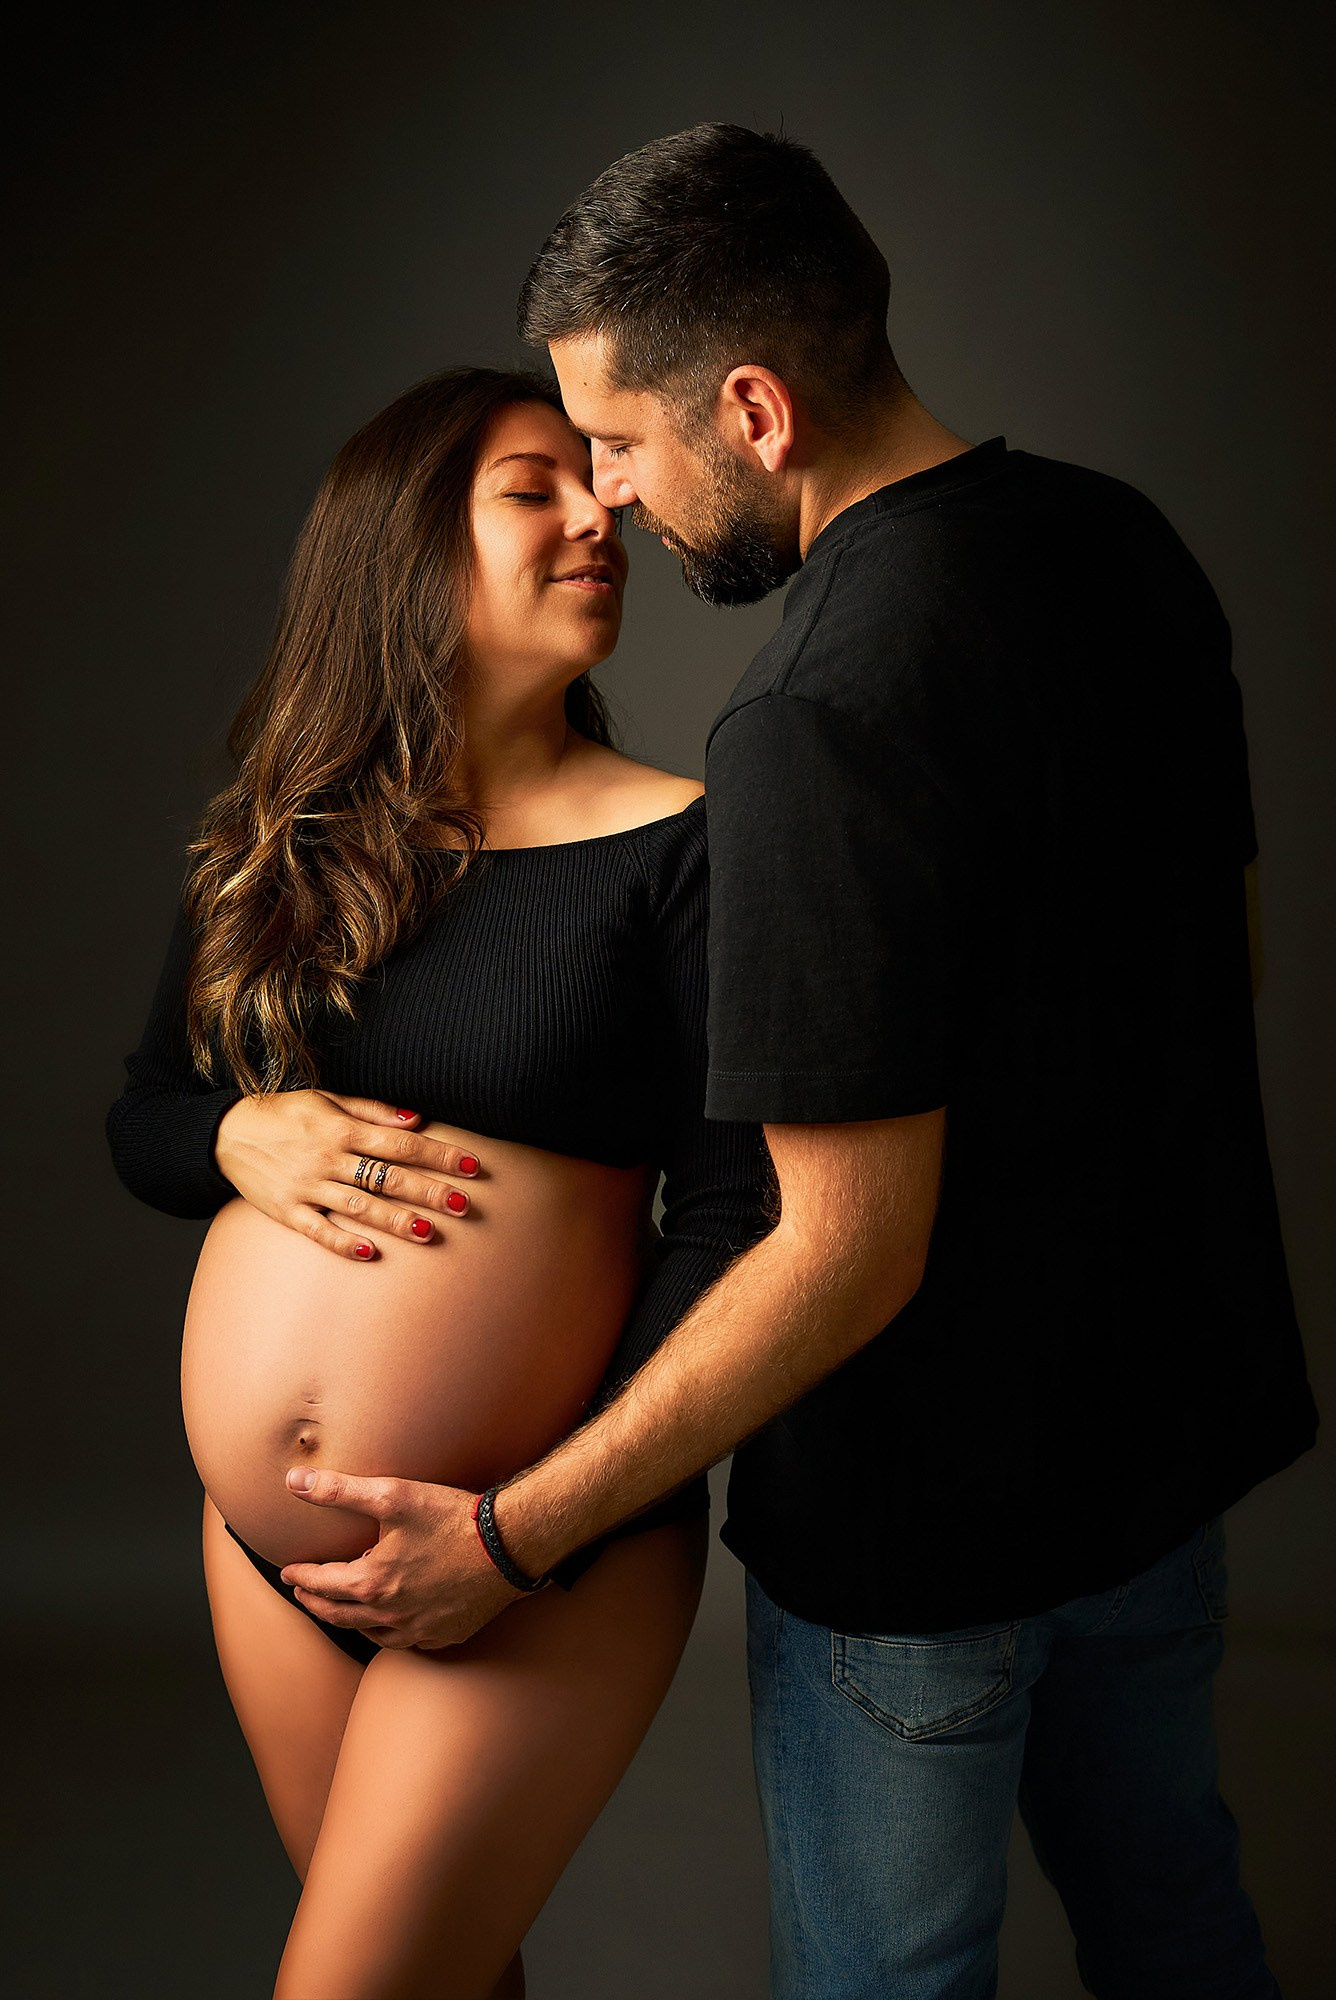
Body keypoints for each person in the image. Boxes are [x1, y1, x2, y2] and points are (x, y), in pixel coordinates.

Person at [272, 128, 1319, 1998]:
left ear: (749, 408)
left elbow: (844, 1250)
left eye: (616, 441)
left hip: (927, 1550)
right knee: (1182, 1932)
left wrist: (516, 1539)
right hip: (1163, 1465)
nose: (612, 498)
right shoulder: (1124, 544)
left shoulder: (813, 714)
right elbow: (1217, 971)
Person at [105, 364, 772, 2000]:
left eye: (593, 481)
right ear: (408, 550)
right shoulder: (288, 838)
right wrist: (232, 1133)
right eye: (532, 487)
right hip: (268, 1558)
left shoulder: (691, 847)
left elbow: (746, 1217)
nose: (598, 511)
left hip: (536, 1549)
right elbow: (146, 1116)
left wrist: (537, 1520)